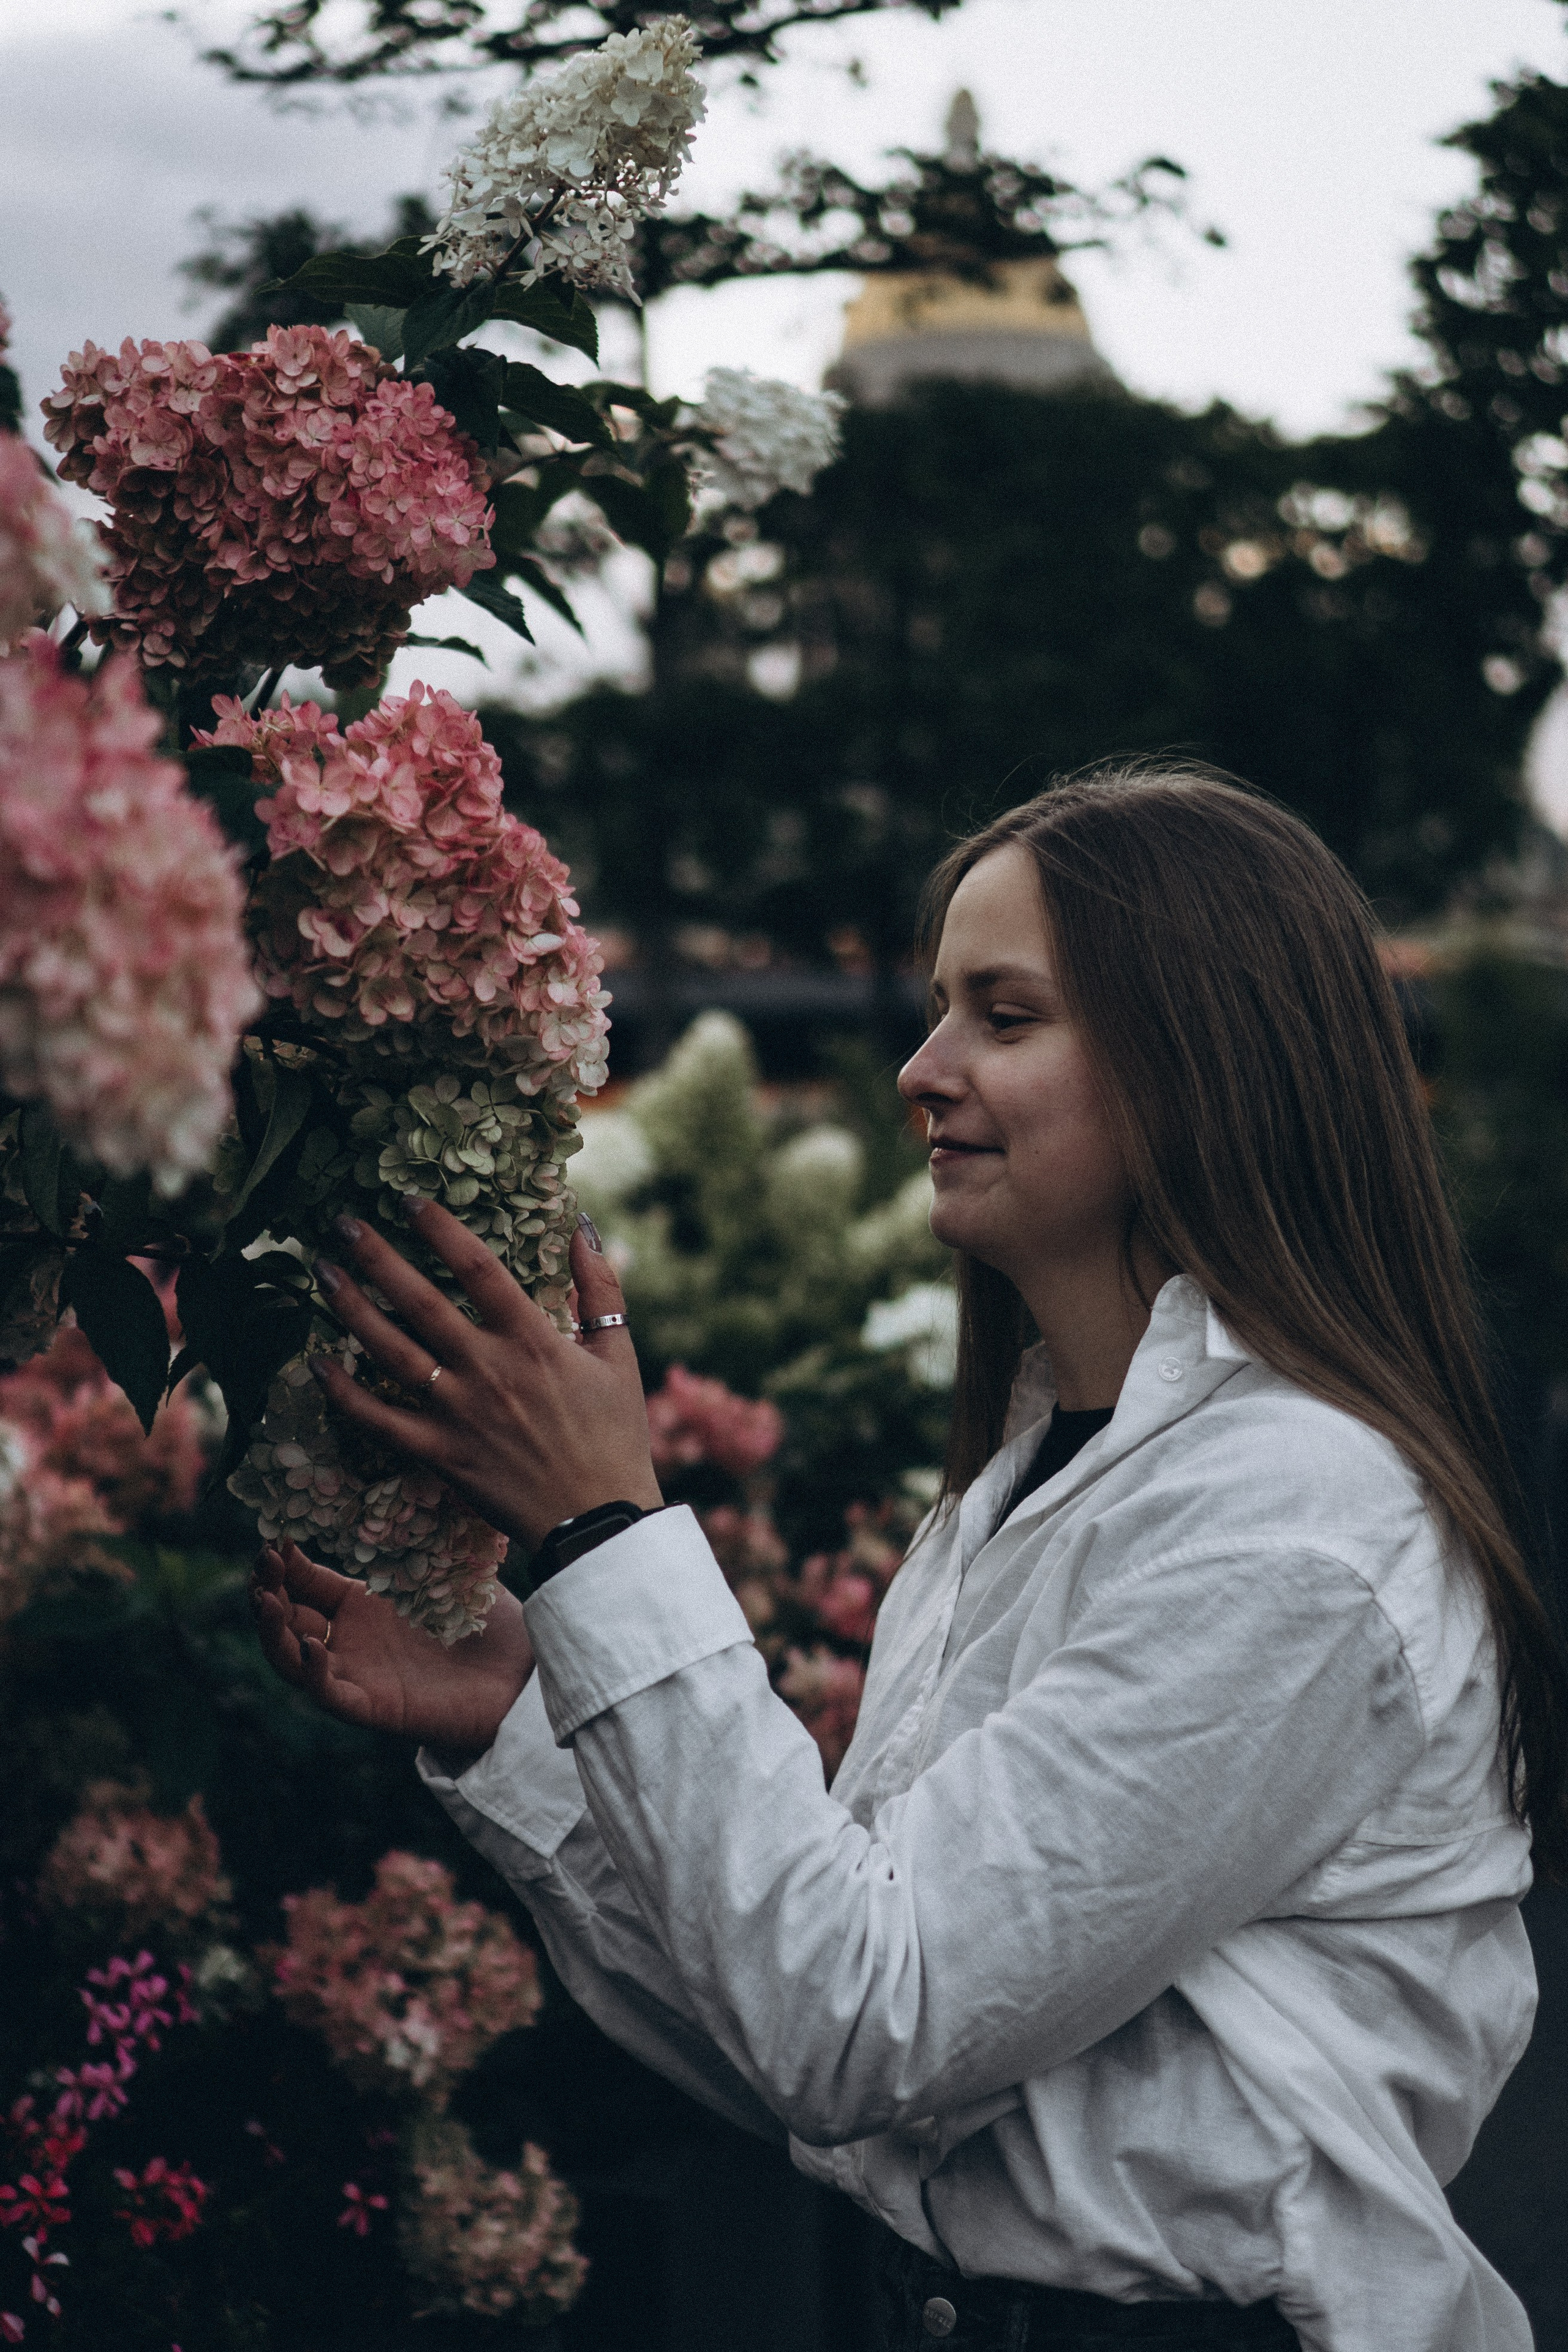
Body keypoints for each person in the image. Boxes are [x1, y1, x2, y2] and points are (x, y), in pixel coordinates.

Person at [252, 764, 1567, 2352]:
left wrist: (602, 1527)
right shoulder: (1029, 1487)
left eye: (1003, 1016)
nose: (919, 1069)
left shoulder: (1296, 1528)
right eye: (945, 1006)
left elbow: (857, 2024)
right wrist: (518, 1739)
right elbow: (815, 2055)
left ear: (1202, 1065)